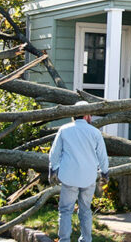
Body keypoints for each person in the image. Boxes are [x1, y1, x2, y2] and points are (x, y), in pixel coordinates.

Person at [49, 101, 109, 242]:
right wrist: (105, 173)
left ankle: (64, 240)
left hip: (68, 176)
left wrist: (53, 170)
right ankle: (86, 240)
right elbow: (102, 155)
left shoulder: (64, 130)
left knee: (65, 211)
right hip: (88, 177)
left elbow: (54, 153)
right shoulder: (95, 132)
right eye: (90, 114)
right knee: (85, 210)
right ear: (86, 115)